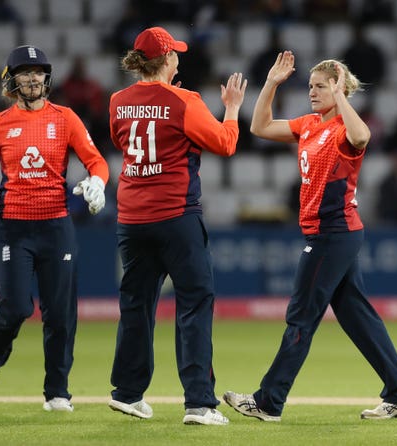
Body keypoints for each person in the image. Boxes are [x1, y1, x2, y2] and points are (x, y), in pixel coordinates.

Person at [223, 51, 397, 421]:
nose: (312, 92)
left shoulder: (346, 129)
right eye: (311, 86)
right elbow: (260, 127)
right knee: (357, 317)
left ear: (338, 88)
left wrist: (341, 94)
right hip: (332, 234)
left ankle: (268, 401)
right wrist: (271, 83)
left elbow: (363, 136)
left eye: (321, 87)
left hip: (331, 234)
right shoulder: (310, 124)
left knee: (300, 318)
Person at [107, 26, 247, 426]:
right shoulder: (184, 100)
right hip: (176, 217)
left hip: (132, 220)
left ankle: (128, 393)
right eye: (175, 55)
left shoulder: (117, 101)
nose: (179, 59)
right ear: (166, 59)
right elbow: (224, 143)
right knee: (194, 303)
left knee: (136, 305)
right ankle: (199, 403)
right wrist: (233, 108)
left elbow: (124, 142)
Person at [0, 45, 110, 412]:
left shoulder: (65, 118)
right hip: (14, 227)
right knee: (16, 306)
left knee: (60, 314)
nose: (32, 79)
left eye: (37, 72)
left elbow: (96, 161)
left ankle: (57, 392)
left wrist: (98, 182)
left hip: (55, 226)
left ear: (46, 78)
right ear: (11, 80)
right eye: (24, 72)